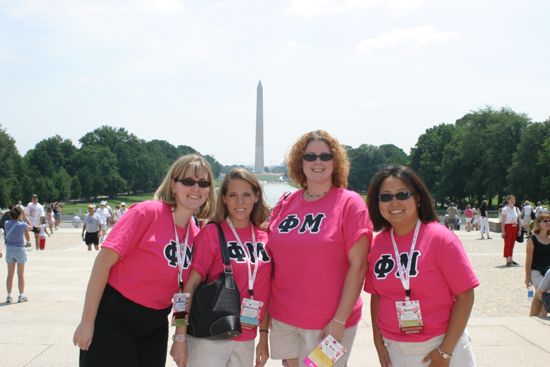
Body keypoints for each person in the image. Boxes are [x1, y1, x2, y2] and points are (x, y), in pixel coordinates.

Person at [73, 154, 216, 367]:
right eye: (188, 181)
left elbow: (183, 295)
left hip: (155, 324)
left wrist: (179, 337)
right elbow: (102, 263)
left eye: (203, 183)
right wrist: (87, 322)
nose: (196, 188)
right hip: (115, 318)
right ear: (174, 184)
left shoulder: (196, 234)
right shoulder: (148, 212)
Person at [267, 130, 372, 367]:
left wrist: (339, 321)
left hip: (327, 323)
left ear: (335, 162)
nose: (318, 162)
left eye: (325, 156)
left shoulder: (349, 202)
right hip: (284, 317)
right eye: (310, 156)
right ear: (299, 162)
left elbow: (359, 266)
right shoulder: (286, 203)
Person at [365, 165, 478, 367]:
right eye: (386, 197)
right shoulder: (377, 244)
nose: (394, 202)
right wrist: (378, 342)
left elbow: (465, 296)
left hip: (441, 345)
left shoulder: (441, 238)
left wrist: (445, 352)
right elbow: (377, 295)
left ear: (417, 198)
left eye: (402, 194)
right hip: (396, 350)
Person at [174, 168, 272, 367]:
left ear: (256, 197)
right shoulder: (212, 233)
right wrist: (179, 337)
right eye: (233, 195)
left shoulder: (265, 237)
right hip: (209, 337)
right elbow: (187, 289)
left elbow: (266, 291)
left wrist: (263, 338)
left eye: (246, 195)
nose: (240, 202)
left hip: (246, 337)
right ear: (224, 199)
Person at [4, 206, 33, 303]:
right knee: (20, 275)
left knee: (10, 275)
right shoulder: (23, 225)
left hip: (9, 249)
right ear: (20, 215)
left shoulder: (6, 223)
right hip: (20, 250)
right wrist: (25, 216)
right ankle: (21, 296)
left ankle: (9, 296)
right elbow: (31, 228)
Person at [524, 212, 550, 317]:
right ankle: (542, 316)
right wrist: (527, 276)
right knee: (543, 292)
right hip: (536, 271)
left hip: (548, 271)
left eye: (549, 220)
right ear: (538, 224)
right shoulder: (532, 239)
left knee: (542, 293)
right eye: (545, 221)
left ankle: (534, 318)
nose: (548, 222)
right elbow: (528, 259)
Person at [500, 195, 521, 267]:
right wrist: (503, 231)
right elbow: (502, 221)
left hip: (515, 227)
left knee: (512, 244)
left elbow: (519, 220)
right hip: (508, 227)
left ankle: (511, 258)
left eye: (513, 199)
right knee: (507, 243)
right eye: (511, 199)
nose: (512, 201)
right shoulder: (505, 209)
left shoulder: (516, 209)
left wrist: (520, 230)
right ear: (508, 201)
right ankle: (507, 260)